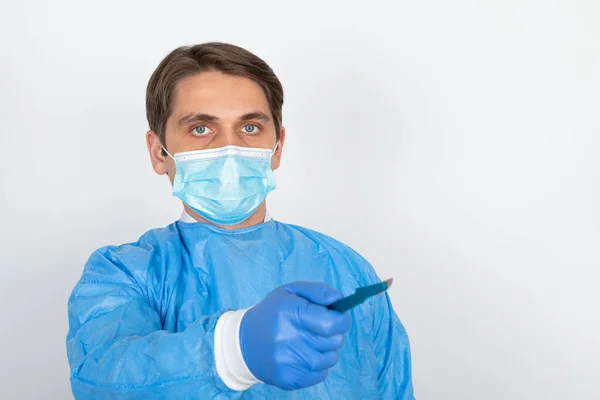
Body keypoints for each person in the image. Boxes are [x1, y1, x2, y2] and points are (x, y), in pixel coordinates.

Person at [66, 42, 415, 399]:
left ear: (277, 147)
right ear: (159, 152)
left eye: (249, 127)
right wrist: (234, 351)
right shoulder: (123, 274)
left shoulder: (347, 269)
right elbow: (103, 378)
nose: (230, 148)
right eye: (201, 129)